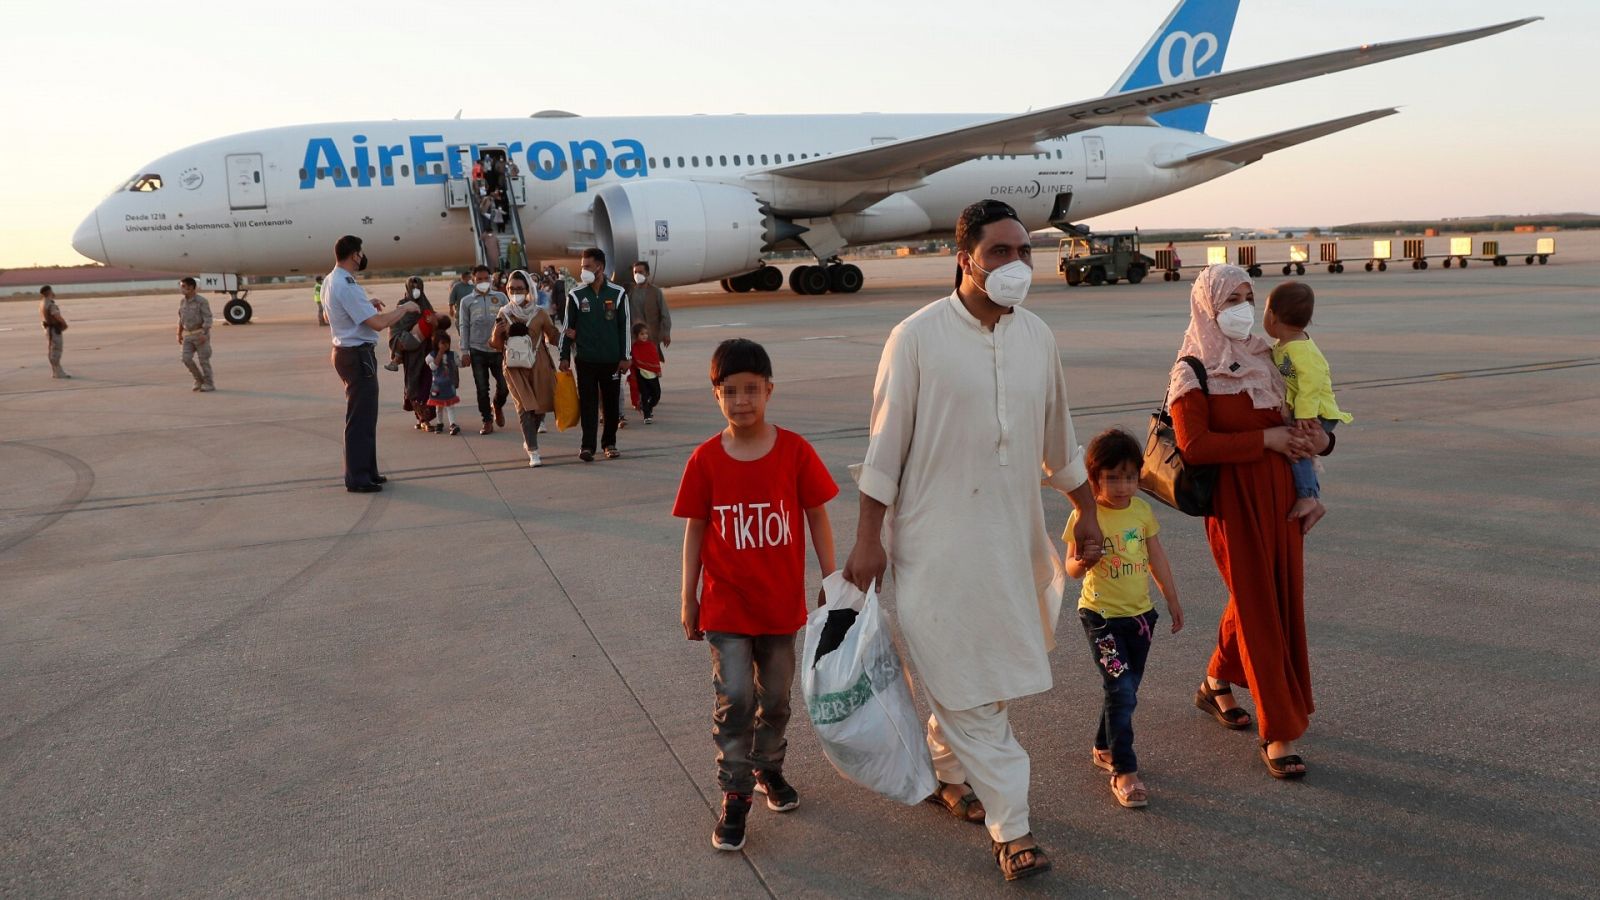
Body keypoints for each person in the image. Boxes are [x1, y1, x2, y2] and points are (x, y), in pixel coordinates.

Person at [842, 200, 1102, 883]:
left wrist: (1089, 513)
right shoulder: (917, 338)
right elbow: (883, 452)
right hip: (935, 546)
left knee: (988, 680)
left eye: (1025, 252)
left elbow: (1059, 440)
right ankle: (1011, 828)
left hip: (1011, 544)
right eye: (1000, 253)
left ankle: (949, 766)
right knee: (966, 683)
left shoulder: (1038, 337)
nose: (1017, 264)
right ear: (965, 259)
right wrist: (869, 541)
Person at [672, 338, 838, 852]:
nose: (741, 400)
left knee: (777, 699)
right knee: (736, 697)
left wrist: (831, 580)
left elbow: (817, 514)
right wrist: (688, 597)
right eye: (730, 391)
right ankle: (736, 793)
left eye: (751, 390)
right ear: (715, 395)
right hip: (725, 605)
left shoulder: (794, 451)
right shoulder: (704, 460)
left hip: (778, 604)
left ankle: (769, 768)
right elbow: (696, 530)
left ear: (769, 391)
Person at [1168, 265, 1331, 780]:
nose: (1240, 306)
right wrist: (1266, 441)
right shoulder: (1192, 368)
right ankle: (1279, 729)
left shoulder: (1271, 355)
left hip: (1284, 501)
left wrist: (1317, 444)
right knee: (1260, 604)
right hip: (1233, 503)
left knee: (1268, 597)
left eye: (1247, 296)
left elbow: (1314, 416)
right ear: (1206, 305)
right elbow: (1195, 445)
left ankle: (1216, 681)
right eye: (1229, 298)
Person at [1063, 428, 1183, 810]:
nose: (1121, 486)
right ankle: (1124, 770)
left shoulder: (1142, 512)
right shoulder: (1086, 514)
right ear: (1094, 477)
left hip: (1140, 619)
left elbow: (1157, 559)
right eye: (1111, 477)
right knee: (1121, 689)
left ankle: (1103, 745)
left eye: (1129, 477)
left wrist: (1172, 600)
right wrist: (1084, 561)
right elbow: (1070, 567)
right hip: (1101, 619)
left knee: (1125, 688)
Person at [324, 235, 418, 493]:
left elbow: (330, 313)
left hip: (345, 352)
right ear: (354, 254)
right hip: (356, 355)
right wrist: (405, 308)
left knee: (364, 416)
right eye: (360, 252)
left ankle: (368, 471)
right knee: (361, 419)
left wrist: (366, 305)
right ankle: (357, 478)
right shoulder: (346, 284)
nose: (362, 257)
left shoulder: (330, 281)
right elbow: (378, 324)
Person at [1263, 281, 1352, 534]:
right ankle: (1311, 496)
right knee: (1298, 445)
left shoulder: (1301, 349)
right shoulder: (1286, 345)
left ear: (1271, 315)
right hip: (1308, 409)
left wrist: (1304, 414)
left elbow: (1311, 384)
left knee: (1297, 446)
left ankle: (1308, 497)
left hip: (1316, 411)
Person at [559, 247, 631, 462]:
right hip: (585, 360)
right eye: (583, 267)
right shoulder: (576, 295)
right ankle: (587, 446)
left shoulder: (618, 294)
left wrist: (625, 356)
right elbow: (567, 327)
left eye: (587, 266)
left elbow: (624, 327)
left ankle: (609, 443)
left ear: (600, 266)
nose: (584, 270)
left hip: (611, 361)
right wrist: (563, 356)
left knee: (610, 405)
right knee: (588, 405)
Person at [495, 269, 560, 467]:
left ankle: (530, 437)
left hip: (538, 363)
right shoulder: (504, 313)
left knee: (540, 407)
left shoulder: (540, 312)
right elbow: (496, 345)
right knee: (524, 408)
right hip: (514, 366)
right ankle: (533, 450)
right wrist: (497, 334)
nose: (515, 292)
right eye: (511, 289)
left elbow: (553, 337)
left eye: (519, 288)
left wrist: (569, 334)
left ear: (528, 289)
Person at [457, 265, 509, 434]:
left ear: (491, 279)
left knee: (504, 386)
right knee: (481, 387)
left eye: (486, 278)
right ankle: (487, 420)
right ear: (473, 280)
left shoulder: (501, 297)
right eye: (479, 279)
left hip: (498, 349)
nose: (483, 282)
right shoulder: (467, 301)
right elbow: (463, 325)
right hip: (477, 349)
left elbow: (510, 319)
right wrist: (464, 351)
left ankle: (498, 405)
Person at [395, 277, 438, 431]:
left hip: (427, 351)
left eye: (418, 285)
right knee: (413, 384)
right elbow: (395, 328)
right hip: (411, 353)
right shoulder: (402, 305)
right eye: (412, 286)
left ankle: (426, 419)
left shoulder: (426, 304)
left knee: (427, 384)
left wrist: (433, 323)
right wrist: (397, 349)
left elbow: (436, 326)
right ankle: (420, 417)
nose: (415, 289)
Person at [175, 277, 216, 392]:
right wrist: (178, 333)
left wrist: (204, 332)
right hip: (187, 335)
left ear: (192, 287)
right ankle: (198, 380)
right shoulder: (182, 301)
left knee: (204, 361)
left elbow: (208, 318)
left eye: (183, 286)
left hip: (200, 335)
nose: (181, 289)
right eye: (181, 286)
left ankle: (209, 383)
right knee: (185, 359)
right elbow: (181, 318)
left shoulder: (201, 301)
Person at [629, 260, 673, 360]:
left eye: (640, 272)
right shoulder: (630, 293)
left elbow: (664, 314)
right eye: (635, 272)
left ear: (647, 274)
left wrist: (666, 333)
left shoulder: (655, 292)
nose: (637, 275)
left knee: (651, 365)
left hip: (652, 336)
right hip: (635, 338)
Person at [426, 332, 462, 435]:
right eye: (442, 343)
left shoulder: (452, 355)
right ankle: (439, 423)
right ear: (436, 344)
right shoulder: (431, 356)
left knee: (450, 405)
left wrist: (465, 361)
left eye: (447, 343)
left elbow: (459, 364)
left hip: (449, 385)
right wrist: (440, 353)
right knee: (439, 407)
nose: (445, 345)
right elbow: (433, 366)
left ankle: (453, 424)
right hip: (437, 386)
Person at [628, 322, 663, 424]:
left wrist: (658, 370)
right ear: (636, 335)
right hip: (641, 375)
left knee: (656, 394)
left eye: (646, 334)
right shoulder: (635, 348)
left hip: (653, 375)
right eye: (642, 334)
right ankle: (647, 415)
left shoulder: (651, 346)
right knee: (645, 395)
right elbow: (634, 360)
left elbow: (655, 359)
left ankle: (648, 406)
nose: (644, 336)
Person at [39, 286, 70, 379]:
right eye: (52, 291)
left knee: (52, 349)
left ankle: (56, 371)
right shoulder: (50, 304)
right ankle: (58, 372)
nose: (53, 292)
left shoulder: (42, 302)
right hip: (53, 329)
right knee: (56, 350)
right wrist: (64, 324)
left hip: (48, 328)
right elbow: (56, 315)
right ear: (49, 292)